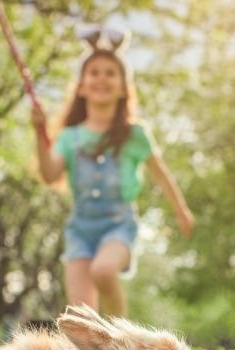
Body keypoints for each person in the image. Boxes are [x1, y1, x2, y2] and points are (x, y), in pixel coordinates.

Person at [32, 33, 194, 317]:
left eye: (111, 73)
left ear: (123, 88)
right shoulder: (70, 137)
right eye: (94, 73)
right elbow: (49, 174)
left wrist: (181, 210)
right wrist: (39, 133)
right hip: (80, 230)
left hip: (119, 225)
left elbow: (161, 174)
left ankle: (121, 342)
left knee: (104, 271)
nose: (102, 79)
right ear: (81, 87)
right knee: (80, 316)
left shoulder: (135, 134)